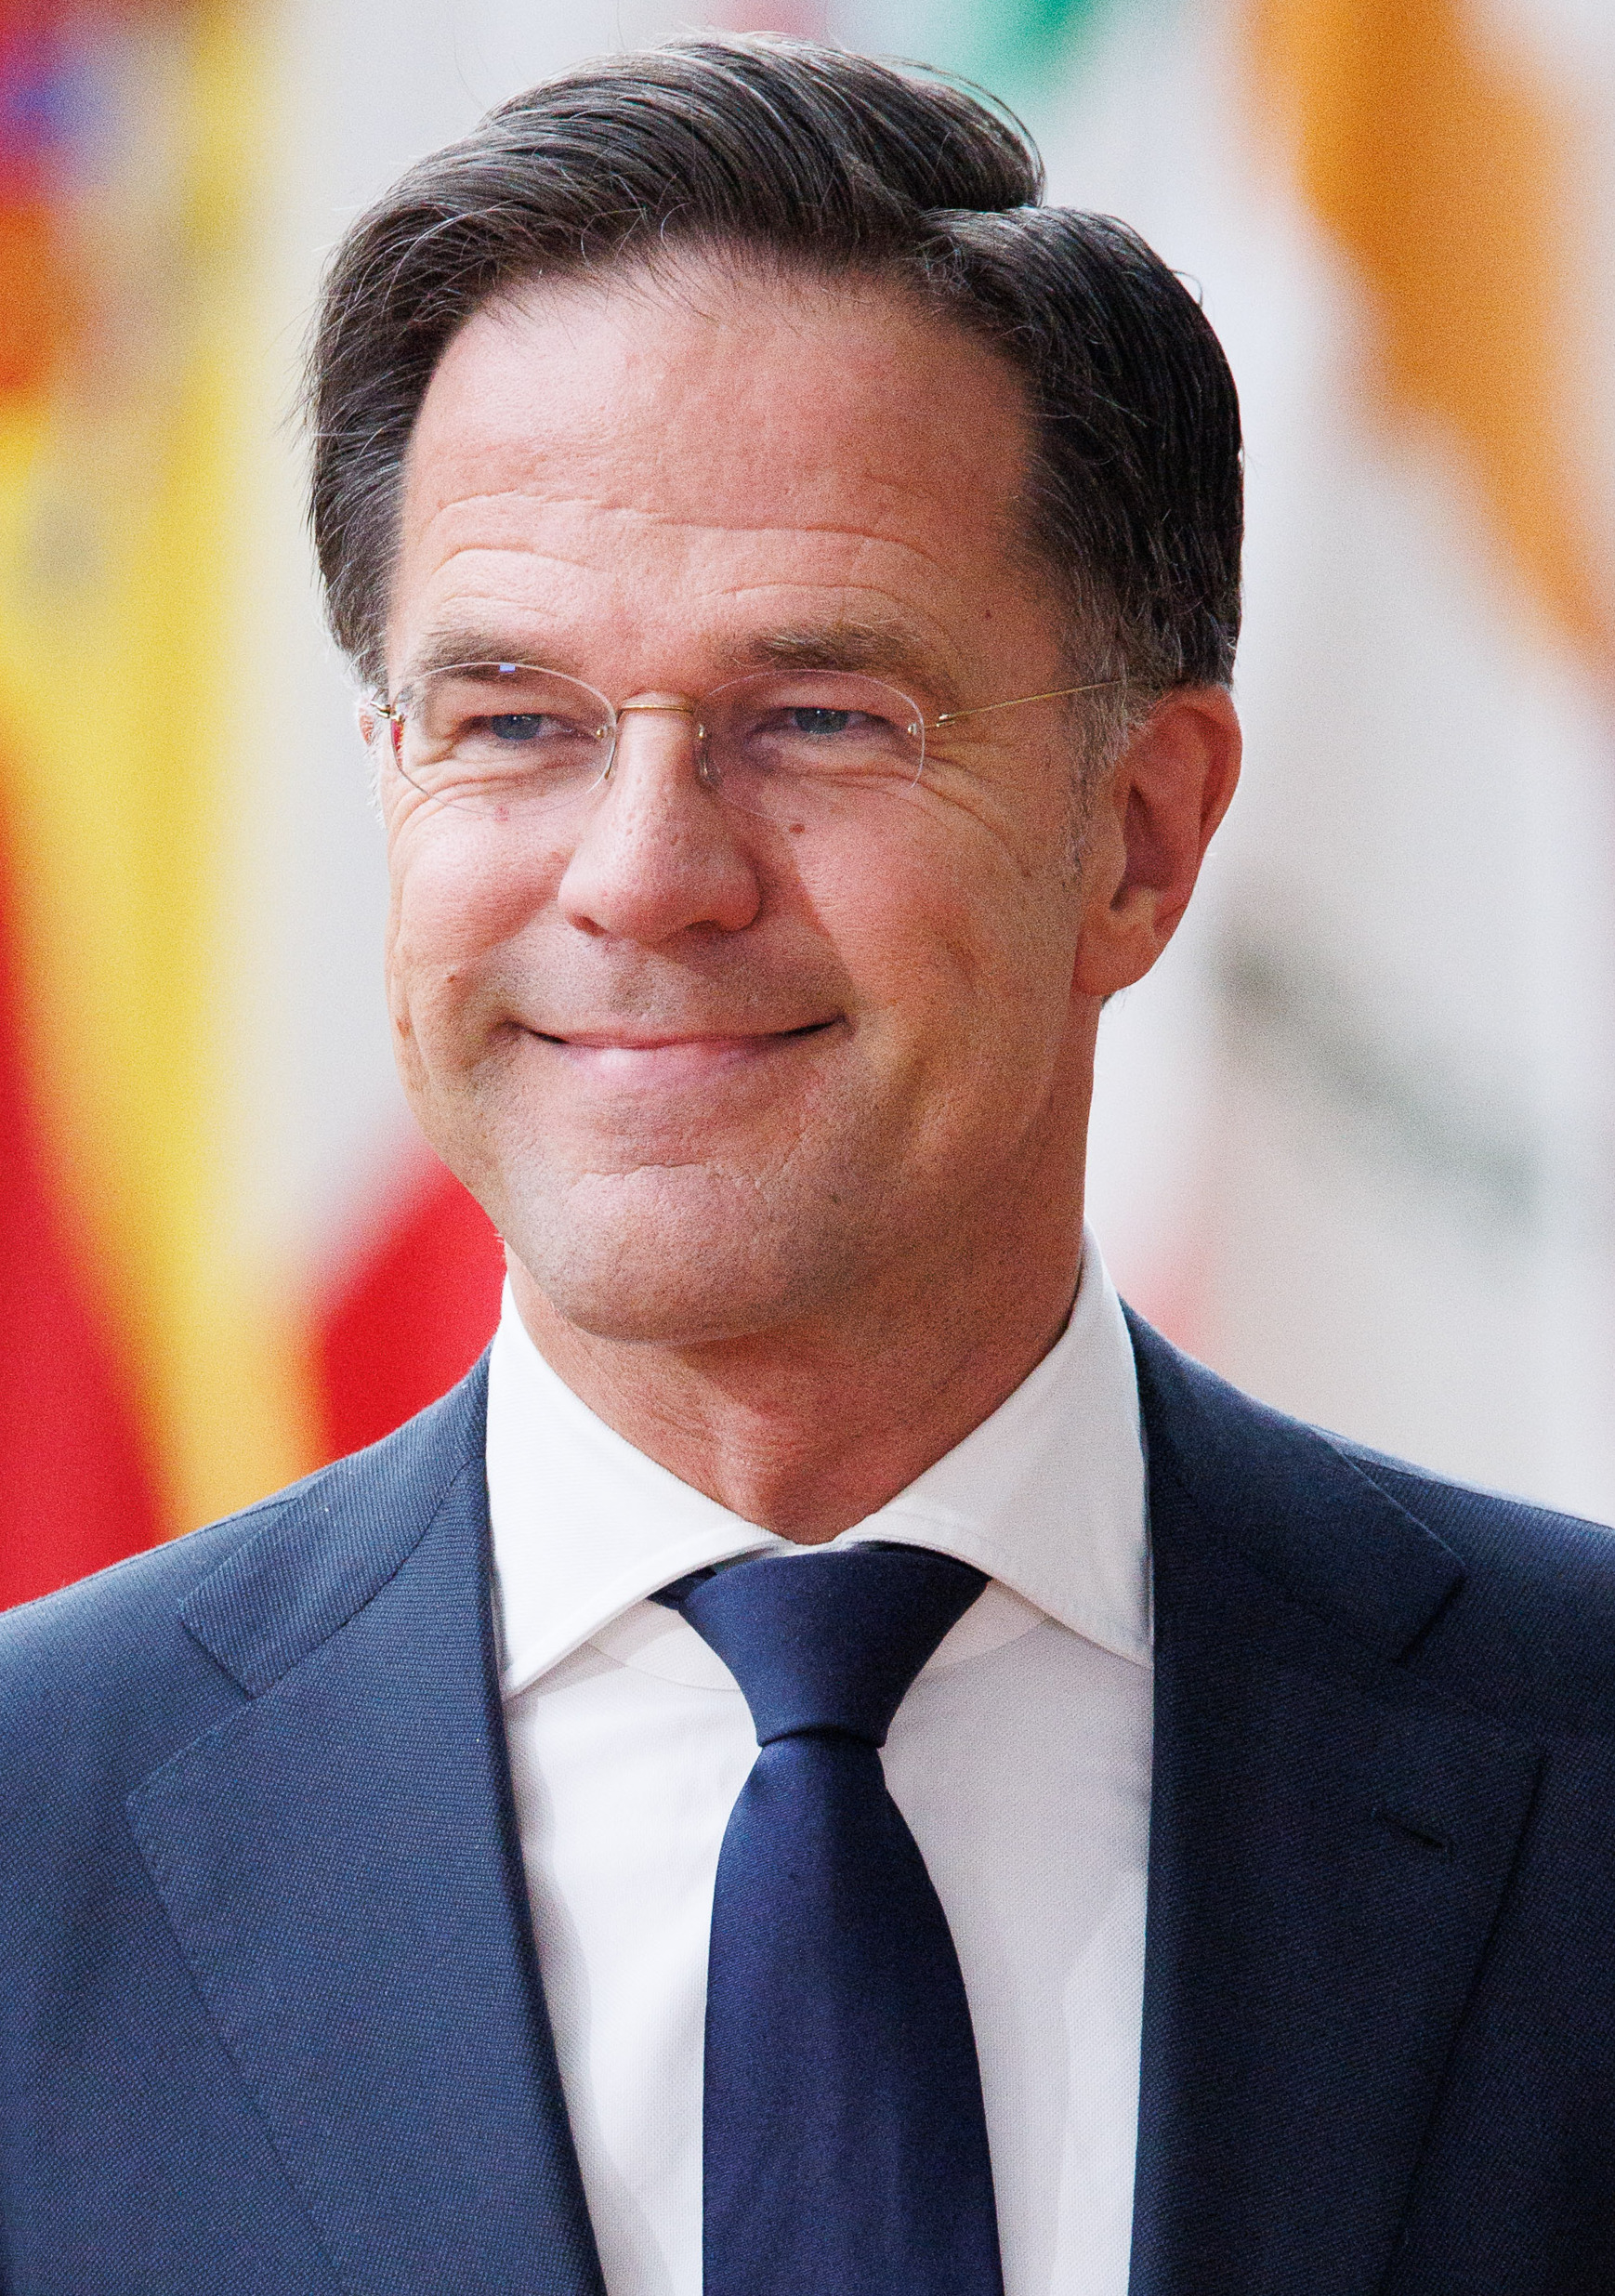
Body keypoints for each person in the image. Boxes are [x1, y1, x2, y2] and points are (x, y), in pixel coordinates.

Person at [4, 34, 1614, 2296]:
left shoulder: (1574, 1761)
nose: (641, 875)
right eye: (511, 722)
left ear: (1139, 836)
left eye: (820, 720)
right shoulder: (34, 1835)